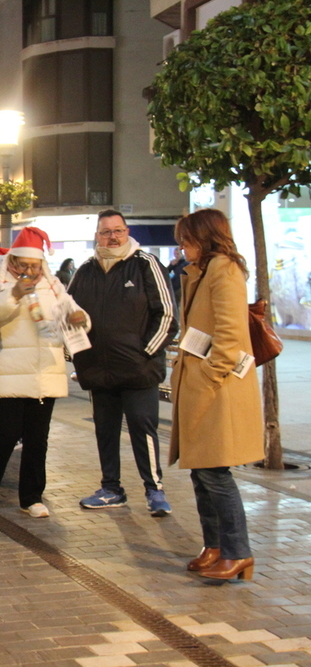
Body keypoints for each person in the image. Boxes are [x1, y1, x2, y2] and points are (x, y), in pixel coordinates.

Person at [67, 210, 178, 516]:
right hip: (98, 370)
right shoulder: (86, 270)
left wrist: (145, 353)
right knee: (105, 430)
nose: (112, 237)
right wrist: (77, 353)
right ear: (97, 236)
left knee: (143, 429)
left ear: (127, 232)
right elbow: (67, 311)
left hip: (138, 369)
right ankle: (111, 488)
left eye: (118, 230)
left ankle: (154, 489)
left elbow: (167, 315)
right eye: (106, 232)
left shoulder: (145, 264)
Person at [170, 208, 262, 581]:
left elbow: (229, 334)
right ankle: (214, 545)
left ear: (204, 238)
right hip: (198, 386)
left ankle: (238, 551)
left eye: (186, 240)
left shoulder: (224, 270)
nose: (182, 247)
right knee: (201, 471)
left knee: (215, 472)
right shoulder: (200, 271)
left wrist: (208, 377)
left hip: (216, 389)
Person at [0, 228, 90, 518]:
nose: (28, 271)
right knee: (6, 433)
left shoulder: (53, 285)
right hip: (7, 371)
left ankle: (32, 496)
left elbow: (73, 313)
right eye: (22, 265)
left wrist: (80, 319)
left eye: (34, 266)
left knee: (38, 438)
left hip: (44, 374)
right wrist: (14, 294)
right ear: (11, 261)